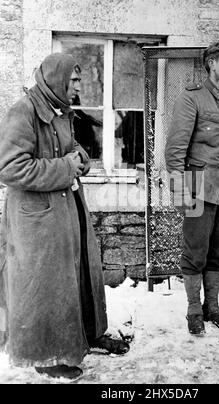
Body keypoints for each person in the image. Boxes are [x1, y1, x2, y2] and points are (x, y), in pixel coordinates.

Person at [0, 53, 129, 380]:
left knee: (81, 273)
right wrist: (67, 167)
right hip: (37, 221)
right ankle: (46, 355)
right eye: (72, 81)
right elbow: (9, 168)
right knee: (44, 288)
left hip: (67, 209)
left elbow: (70, 150)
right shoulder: (24, 111)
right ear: (56, 78)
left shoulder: (59, 109)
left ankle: (87, 335)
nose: (77, 86)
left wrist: (81, 158)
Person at [165, 40, 219, 336]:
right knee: (195, 251)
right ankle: (193, 310)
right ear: (212, 63)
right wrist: (179, 192)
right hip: (196, 186)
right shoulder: (192, 98)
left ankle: (212, 307)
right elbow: (175, 150)